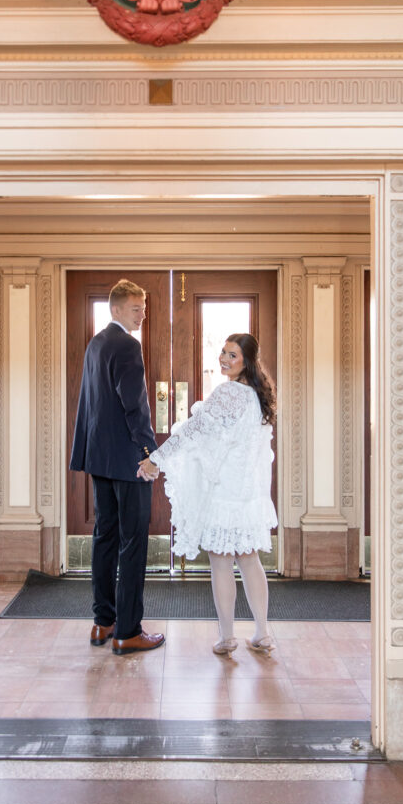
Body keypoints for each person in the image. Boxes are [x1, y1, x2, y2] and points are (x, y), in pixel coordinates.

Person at [138, 333, 277, 656]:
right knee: (250, 560)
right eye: (223, 353)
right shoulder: (258, 397)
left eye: (233, 355)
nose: (225, 359)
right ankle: (262, 633)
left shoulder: (229, 393)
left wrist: (155, 459)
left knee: (221, 562)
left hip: (225, 492)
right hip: (248, 493)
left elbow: (192, 431)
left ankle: (227, 636)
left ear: (247, 361)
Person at [70, 279, 165, 656]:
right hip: (129, 460)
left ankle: (102, 622)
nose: (142, 313)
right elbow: (134, 405)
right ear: (116, 310)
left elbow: (92, 405)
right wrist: (149, 452)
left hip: (100, 457)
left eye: (144, 307)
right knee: (132, 542)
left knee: (105, 537)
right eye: (136, 308)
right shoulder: (127, 345)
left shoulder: (96, 343)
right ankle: (128, 631)